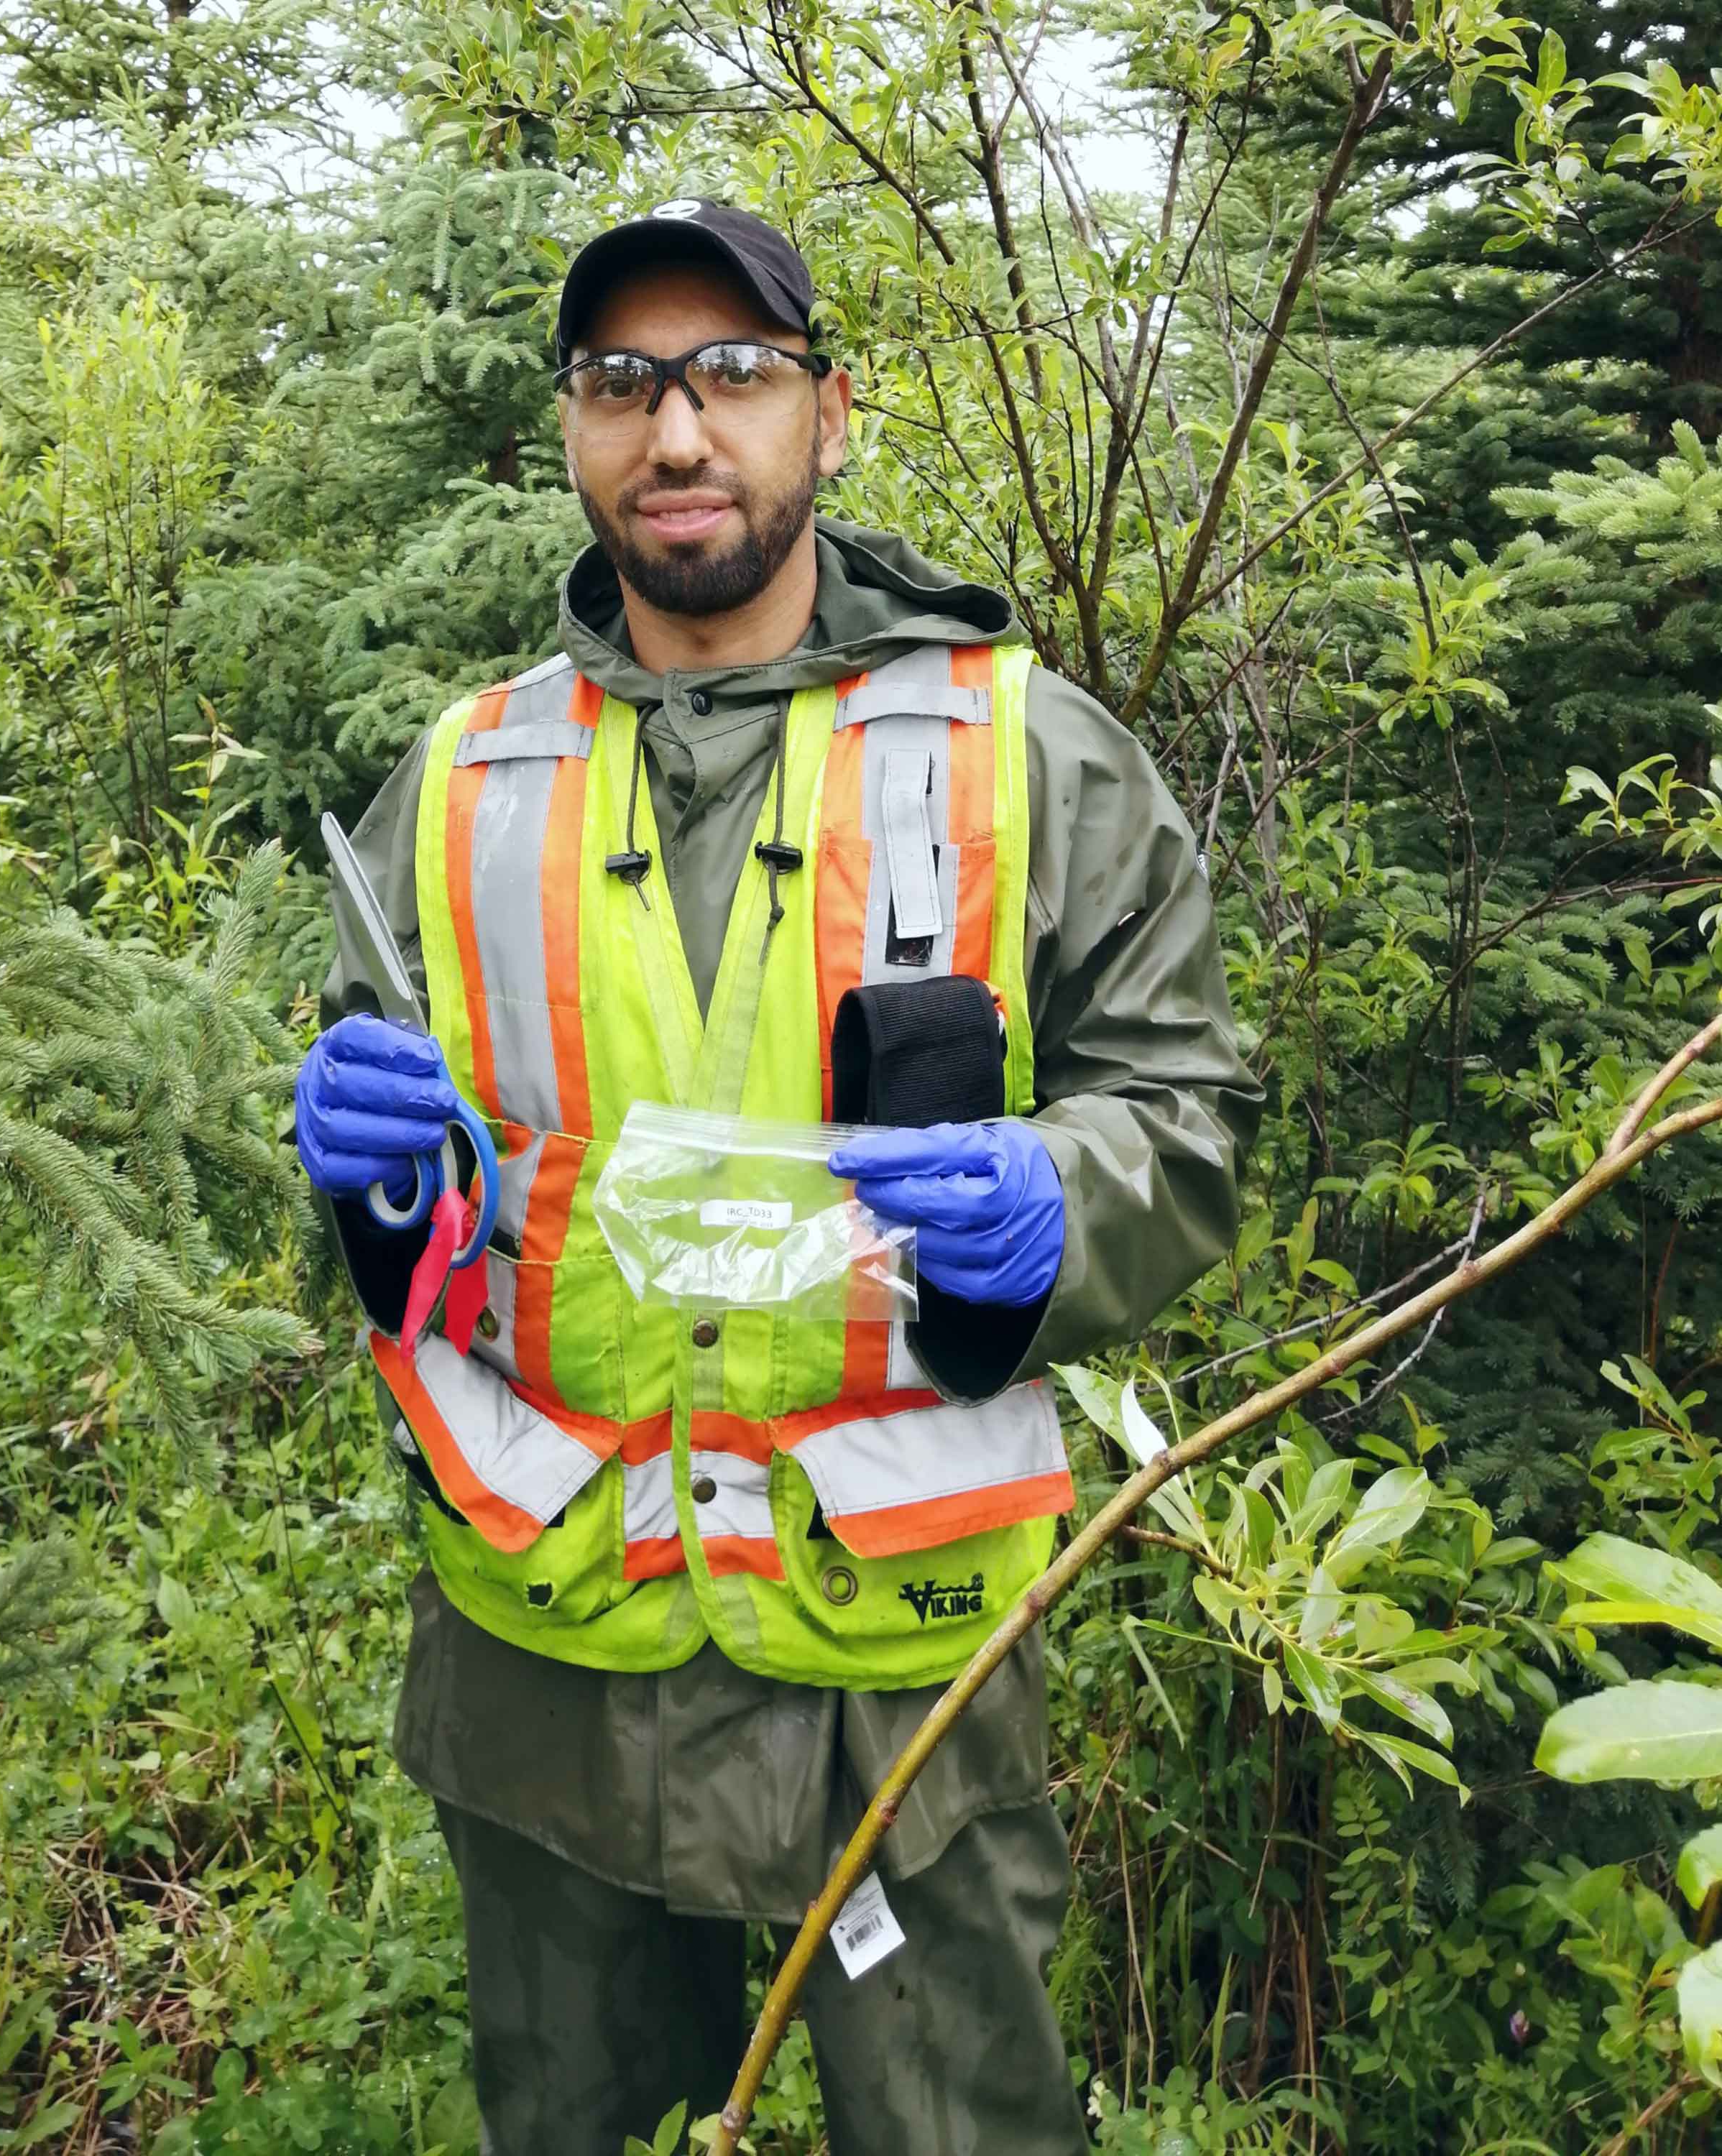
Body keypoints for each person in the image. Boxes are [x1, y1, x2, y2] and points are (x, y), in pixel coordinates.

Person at [294, 199, 1261, 2156]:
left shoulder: (1028, 753)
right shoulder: (462, 782)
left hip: (898, 1674)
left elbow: (1187, 1111)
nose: (677, 435)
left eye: (731, 376)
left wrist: (1062, 1202)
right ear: (569, 430)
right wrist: (368, 1197)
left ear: (829, 410)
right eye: (623, 384)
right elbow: (397, 1192)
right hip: (546, 1644)